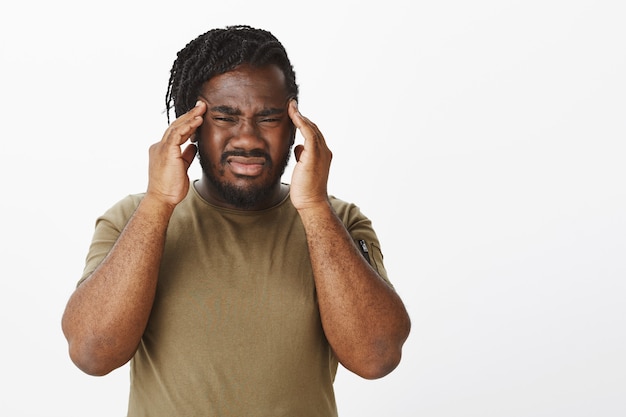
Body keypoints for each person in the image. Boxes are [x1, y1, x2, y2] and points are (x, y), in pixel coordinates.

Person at [61, 25, 411, 416]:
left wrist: (313, 206)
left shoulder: (340, 221)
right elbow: (92, 354)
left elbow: (377, 356)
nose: (248, 138)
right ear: (189, 127)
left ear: (295, 125)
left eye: (269, 118)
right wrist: (158, 203)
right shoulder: (131, 219)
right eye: (225, 117)